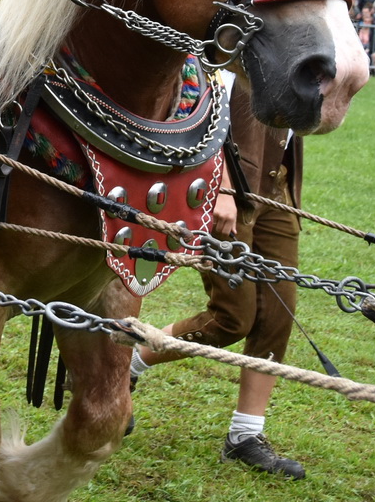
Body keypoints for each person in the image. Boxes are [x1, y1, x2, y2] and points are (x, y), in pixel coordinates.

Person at [131, 80, 307, 478]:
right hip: (225, 189)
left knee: (278, 317)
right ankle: (131, 361)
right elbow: (209, 98)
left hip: (276, 186)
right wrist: (223, 188)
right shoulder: (238, 24)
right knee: (232, 317)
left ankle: (245, 435)